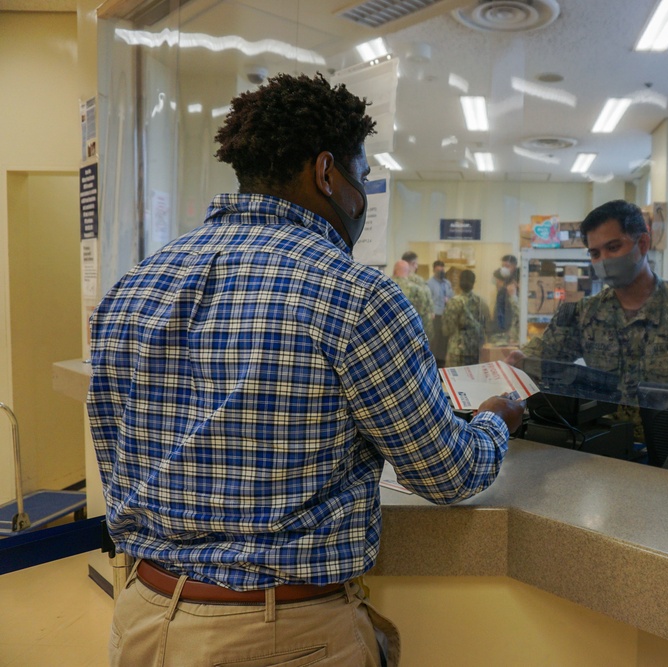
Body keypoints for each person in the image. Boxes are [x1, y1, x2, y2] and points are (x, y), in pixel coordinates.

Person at [87, 72, 523, 667]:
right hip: (279, 638)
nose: (364, 197)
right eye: (362, 177)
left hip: (141, 618)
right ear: (327, 174)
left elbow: (114, 452)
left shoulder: (134, 286)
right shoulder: (358, 296)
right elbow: (445, 473)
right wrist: (497, 421)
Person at [507, 199, 668, 438]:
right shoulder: (584, 315)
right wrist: (516, 364)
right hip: (605, 453)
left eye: (614, 247)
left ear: (643, 244)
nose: (604, 260)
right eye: (595, 253)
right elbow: (535, 360)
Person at [442, 269, 490, 367]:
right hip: (475, 350)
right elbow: (487, 326)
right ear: (474, 283)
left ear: (459, 282)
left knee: (454, 380)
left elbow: (447, 330)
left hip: (457, 351)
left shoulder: (454, 302)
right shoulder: (481, 302)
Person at [391, 259, 433, 338]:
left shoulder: (384, 285)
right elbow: (424, 316)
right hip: (411, 334)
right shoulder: (417, 289)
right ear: (408, 272)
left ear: (394, 270)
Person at [427, 259, 454, 365]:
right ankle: (434, 364)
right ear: (434, 270)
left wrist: (449, 300)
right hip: (435, 316)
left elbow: (452, 296)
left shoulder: (447, 283)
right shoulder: (429, 283)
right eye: (438, 270)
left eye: (442, 270)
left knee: (444, 342)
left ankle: (442, 364)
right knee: (435, 342)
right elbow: (428, 300)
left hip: (446, 316)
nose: (441, 272)